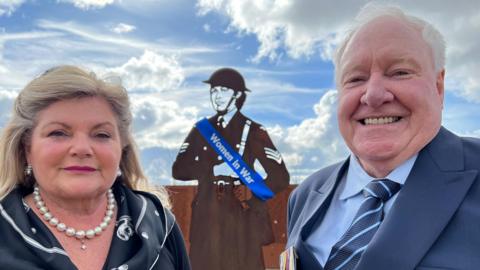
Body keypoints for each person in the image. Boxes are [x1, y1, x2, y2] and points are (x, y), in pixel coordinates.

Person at [286, 3, 480, 270]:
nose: (374, 94)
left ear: (439, 87)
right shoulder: (305, 195)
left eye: (400, 72)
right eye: (355, 79)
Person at [0, 65, 191, 270]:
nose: (82, 149)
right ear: (26, 148)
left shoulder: (159, 224)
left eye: (101, 134)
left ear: (122, 148)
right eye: (58, 133)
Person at [172, 67, 289, 270]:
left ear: (237, 95)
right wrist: (212, 170)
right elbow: (179, 170)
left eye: (223, 90)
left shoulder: (253, 131)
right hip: (207, 218)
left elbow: (280, 177)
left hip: (241, 219)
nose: (216, 97)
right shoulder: (201, 130)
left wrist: (252, 192)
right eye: (213, 91)